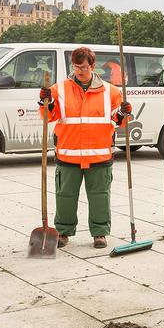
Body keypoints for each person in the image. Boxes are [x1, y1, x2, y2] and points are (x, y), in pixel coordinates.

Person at [38, 47, 129, 249]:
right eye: (76, 67)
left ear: (93, 66)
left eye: (84, 67)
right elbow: (48, 116)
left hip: (99, 155)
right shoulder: (58, 89)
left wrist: (124, 112)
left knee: (100, 196)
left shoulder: (110, 91)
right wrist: (46, 102)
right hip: (68, 155)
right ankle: (62, 232)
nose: (80, 71)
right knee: (65, 196)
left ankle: (100, 233)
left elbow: (118, 119)